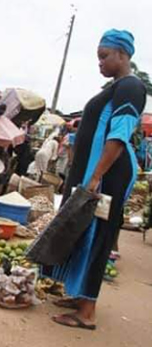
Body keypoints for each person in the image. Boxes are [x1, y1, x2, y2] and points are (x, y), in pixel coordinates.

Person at [42, 29, 146, 330]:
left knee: (97, 234)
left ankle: (86, 312)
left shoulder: (130, 87)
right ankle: (79, 296)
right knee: (80, 231)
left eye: (104, 56)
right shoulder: (116, 87)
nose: (99, 62)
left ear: (123, 55)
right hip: (95, 174)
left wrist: (96, 177)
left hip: (109, 176)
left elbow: (118, 136)